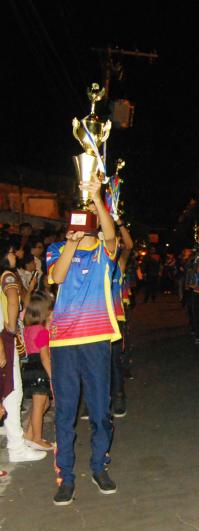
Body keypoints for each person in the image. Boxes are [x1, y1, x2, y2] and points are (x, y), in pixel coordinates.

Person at [47, 176, 121, 506]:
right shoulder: (57, 249)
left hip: (96, 339)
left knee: (100, 410)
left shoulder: (105, 252)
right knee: (65, 413)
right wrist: (72, 243)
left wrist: (98, 197)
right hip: (63, 342)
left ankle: (99, 466)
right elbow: (58, 276)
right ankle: (65, 476)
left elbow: (112, 235)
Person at [0, 240, 47, 463]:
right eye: (11, 253)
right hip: (5, 338)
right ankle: (17, 447)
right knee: (12, 390)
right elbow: (13, 300)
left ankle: (14, 436)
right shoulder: (7, 276)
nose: (15, 256)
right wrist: (10, 329)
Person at [22, 290, 54, 450]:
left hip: (30, 367)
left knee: (43, 403)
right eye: (49, 309)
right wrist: (52, 376)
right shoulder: (42, 332)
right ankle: (37, 438)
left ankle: (29, 435)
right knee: (40, 404)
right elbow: (44, 356)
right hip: (39, 369)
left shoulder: (29, 328)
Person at [110, 223, 134, 418]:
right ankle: (95, 400)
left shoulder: (119, 264)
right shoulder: (93, 262)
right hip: (95, 320)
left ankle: (119, 396)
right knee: (95, 364)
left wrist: (119, 224)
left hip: (115, 320)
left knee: (115, 361)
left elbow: (129, 246)